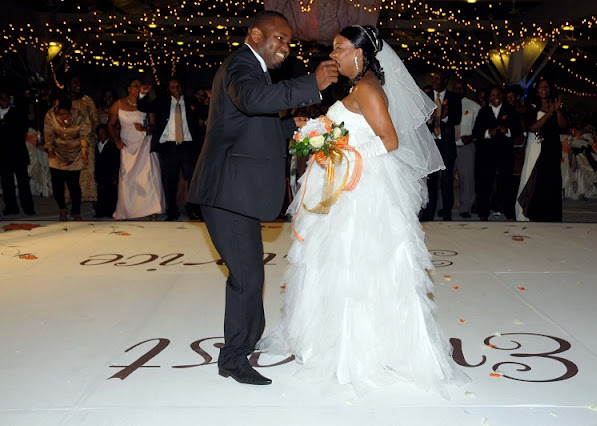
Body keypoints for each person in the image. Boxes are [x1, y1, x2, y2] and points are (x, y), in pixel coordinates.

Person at [258, 25, 466, 395]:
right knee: (335, 263)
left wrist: (344, 156)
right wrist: (322, 135)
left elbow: (389, 140)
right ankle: (332, 340)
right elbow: (353, 130)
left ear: (359, 53)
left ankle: (359, 349)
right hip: (349, 185)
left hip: (361, 191)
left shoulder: (368, 88)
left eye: (339, 48)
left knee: (354, 265)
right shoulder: (358, 86)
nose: (333, 54)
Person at [188, 10, 339, 386]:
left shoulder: (253, 69)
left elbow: (250, 122)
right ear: (256, 35)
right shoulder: (242, 64)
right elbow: (253, 100)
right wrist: (312, 84)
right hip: (227, 191)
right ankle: (233, 358)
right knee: (247, 277)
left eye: (289, 42)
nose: (286, 48)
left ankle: (246, 340)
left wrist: (292, 126)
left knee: (249, 273)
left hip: (237, 191)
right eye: (280, 38)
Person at [139, 77, 201, 220]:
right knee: (170, 181)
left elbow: (205, 112)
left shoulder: (191, 101)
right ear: (169, 89)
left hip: (187, 146)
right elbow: (144, 107)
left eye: (179, 86)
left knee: (192, 179)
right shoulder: (162, 101)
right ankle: (172, 212)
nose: (177, 89)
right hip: (169, 147)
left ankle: (193, 209)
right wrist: (142, 95)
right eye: (173, 87)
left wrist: (210, 98)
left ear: (183, 87)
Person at [108, 79, 165, 220]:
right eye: (135, 86)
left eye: (140, 86)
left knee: (147, 175)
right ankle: (129, 210)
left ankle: (152, 209)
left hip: (144, 143)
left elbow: (153, 125)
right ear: (129, 88)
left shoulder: (147, 103)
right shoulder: (118, 104)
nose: (138, 88)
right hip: (127, 144)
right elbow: (110, 124)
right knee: (127, 176)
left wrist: (144, 128)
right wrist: (117, 141)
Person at [515, 78, 567, 222]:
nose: (544, 89)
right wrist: (548, 113)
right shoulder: (532, 107)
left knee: (552, 181)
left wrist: (556, 110)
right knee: (536, 180)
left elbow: (563, 125)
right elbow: (532, 127)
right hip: (538, 148)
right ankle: (535, 214)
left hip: (553, 148)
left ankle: (552, 216)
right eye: (541, 87)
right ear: (537, 91)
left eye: (546, 87)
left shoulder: (555, 105)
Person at [473, 85, 521, 221]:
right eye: (493, 96)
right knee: (485, 184)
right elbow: (476, 132)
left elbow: (518, 130)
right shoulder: (483, 112)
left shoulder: (510, 110)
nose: (496, 98)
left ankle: (509, 212)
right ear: (489, 98)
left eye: (498, 95)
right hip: (486, 154)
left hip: (505, 153)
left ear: (502, 96)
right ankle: (483, 213)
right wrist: (488, 132)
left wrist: (508, 131)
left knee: (506, 184)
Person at [422, 70, 462, 221]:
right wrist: (430, 119)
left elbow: (457, 119)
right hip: (431, 145)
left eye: (439, 78)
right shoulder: (425, 96)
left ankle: (447, 214)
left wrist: (445, 117)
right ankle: (429, 213)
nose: (435, 80)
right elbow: (419, 120)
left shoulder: (454, 98)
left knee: (447, 181)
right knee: (431, 182)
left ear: (446, 81)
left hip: (446, 146)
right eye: (434, 78)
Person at [43, 97, 91, 221]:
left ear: (70, 111)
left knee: (73, 184)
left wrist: (84, 152)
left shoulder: (81, 116)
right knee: (57, 184)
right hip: (57, 153)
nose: (61, 117)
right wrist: (50, 149)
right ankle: (62, 208)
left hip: (75, 153)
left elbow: (85, 135)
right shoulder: (50, 115)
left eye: (64, 114)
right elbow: (48, 134)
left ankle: (76, 211)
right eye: (59, 114)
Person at [0, 90, 35, 216]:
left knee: (23, 182)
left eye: (6, 98)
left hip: (17, 152)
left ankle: (28, 208)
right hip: (3, 154)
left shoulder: (16, 113)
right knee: (6, 182)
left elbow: (23, 129)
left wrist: (6, 124)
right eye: (1, 99)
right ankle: (11, 207)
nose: (4, 101)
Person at [451, 80, 480, 219]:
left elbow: (479, 127)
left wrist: (471, 137)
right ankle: (444, 207)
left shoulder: (473, 106)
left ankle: (465, 208)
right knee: (445, 179)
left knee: (467, 179)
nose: (458, 90)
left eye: (461, 88)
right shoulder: (446, 103)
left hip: (466, 147)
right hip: (449, 146)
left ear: (465, 90)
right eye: (456, 88)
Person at [68, 75, 99, 205]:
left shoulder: (87, 101)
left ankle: (91, 197)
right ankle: (70, 200)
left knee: (88, 171)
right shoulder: (63, 101)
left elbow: (95, 120)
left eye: (79, 82)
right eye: (74, 82)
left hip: (87, 143)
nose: (78, 85)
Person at [94, 124, 120, 218]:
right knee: (100, 193)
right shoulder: (96, 146)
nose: (101, 135)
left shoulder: (112, 146)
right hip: (100, 174)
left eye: (103, 133)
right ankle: (100, 211)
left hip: (110, 174)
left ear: (107, 133)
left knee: (111, 194)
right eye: (99, 133)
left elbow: (116, 162)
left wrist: (115, 176)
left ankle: (111, 211)